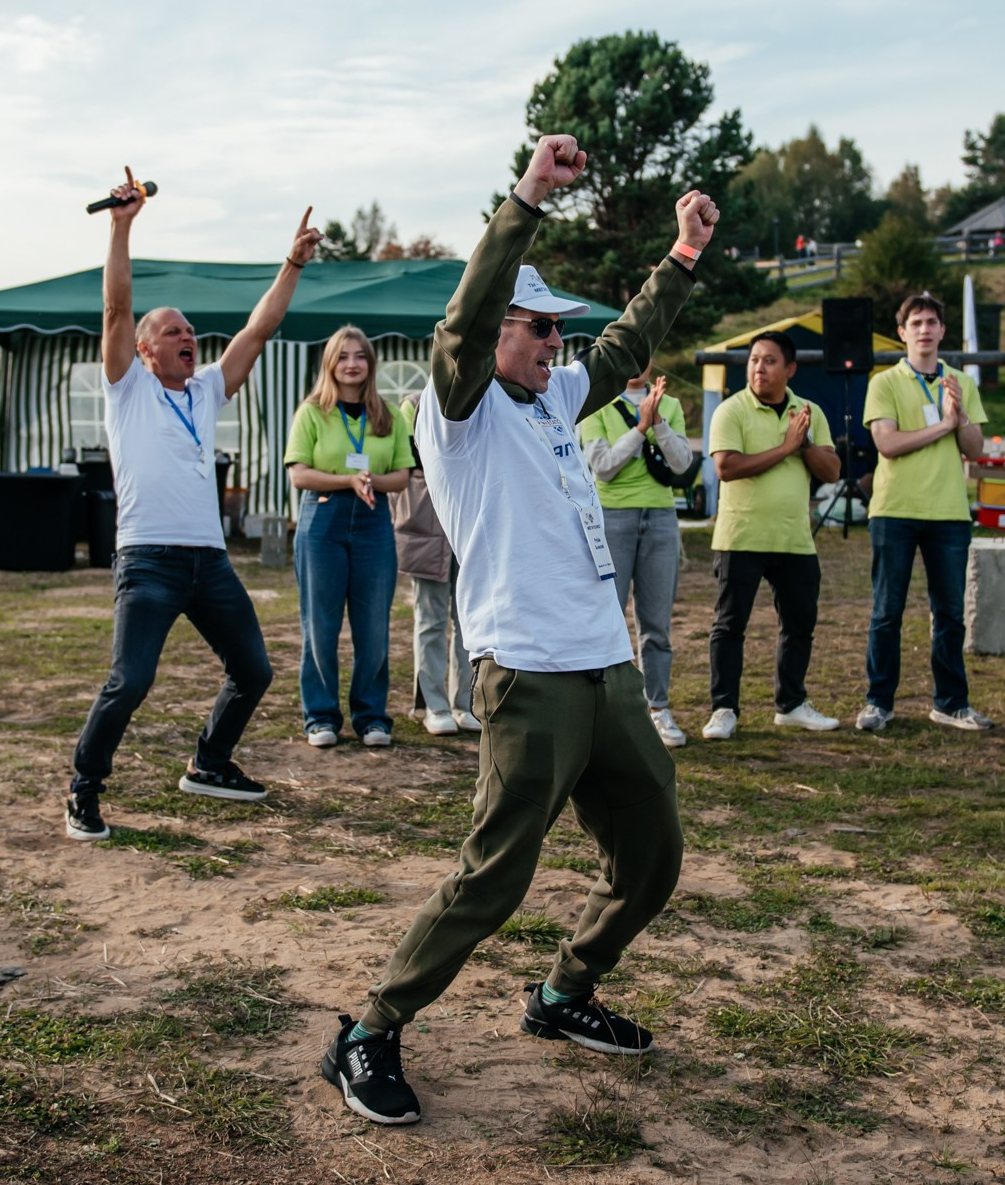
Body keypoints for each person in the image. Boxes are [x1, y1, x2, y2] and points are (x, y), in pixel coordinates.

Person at [320, 134, 715, 1127]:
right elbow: (461, 324)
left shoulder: (554, 398)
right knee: (495, 874)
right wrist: (530, 195)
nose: (554, 344)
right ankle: (368, 1032)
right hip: (528, 677)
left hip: (606, 671)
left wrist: (682, 259)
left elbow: (623, 348)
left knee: (655, 855)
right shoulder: (455, 410)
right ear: (501, 327)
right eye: (537, 327)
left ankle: (563, 994)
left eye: (555, 332)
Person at [66, 180, 321, 840]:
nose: (188, 335)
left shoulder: (205, 390)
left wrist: (290, 264)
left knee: (254, 669)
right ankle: (83, 789)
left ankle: (209, 763)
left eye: (189, 329)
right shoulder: (126, 388)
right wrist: (122, 228)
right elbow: (117, 308)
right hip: (148, 559)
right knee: (132, 680)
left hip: (207, 561)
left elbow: (260, 327)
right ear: (145, 349)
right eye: (172, 330)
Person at [852, 294, 990, 732]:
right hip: (895, 510)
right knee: (887, 611)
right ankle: (879, 702)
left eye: (933, 322)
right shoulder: (884, 382)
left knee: (949, 612)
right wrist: (944, 427)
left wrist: (961, 417)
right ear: (903, 332)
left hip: (948, 511)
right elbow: (887, 444)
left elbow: (975, 449)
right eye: (916, 323)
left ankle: (950, 703)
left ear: (943, 331)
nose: (925, 329)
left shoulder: (961, 382)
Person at [704, 331, 841, 739]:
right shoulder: (731, 410)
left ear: (790, 369)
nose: (759, 368)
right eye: (754, 360)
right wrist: (785, 448)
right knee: (729, 626)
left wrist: (803, 443)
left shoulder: (808, 412)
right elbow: (726, 467)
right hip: (740, 537)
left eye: (769, 361)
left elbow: (832, 471)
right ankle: (724, 709)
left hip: (794, 538)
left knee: (799, 624)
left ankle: (791, 704)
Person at [285, 325, 414, 749]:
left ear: (370, 364)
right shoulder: (312, 412)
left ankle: (371, 717)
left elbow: (401, 476)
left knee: (373, 626)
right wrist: (347, 480)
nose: (352, 364)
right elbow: (299, 472)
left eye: (359, 356)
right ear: (330, 363)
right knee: (319, 625)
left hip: (374, 523)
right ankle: (320, 717)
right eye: (343, 356)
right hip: (322, 520)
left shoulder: (389, 414)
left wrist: (368, 479)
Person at [578, 364, 697, 748]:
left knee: (656, 624)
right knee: (607, 618)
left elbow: (681, 464)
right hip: (612, 518)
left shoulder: (671, 405)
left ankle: (658, 707)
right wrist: (640, 428)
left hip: (660, 519)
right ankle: (602, 710)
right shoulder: (595, 405)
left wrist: (658, 420)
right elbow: (604, 467)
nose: (636, 362)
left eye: (644, 354)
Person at [389, 416, 477, 736]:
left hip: (467, 528)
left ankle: (464, 704)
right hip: (427, 531)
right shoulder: (413, 405)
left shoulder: (482, 401)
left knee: (467, 620)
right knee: (430, 618)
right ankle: (434, 705)